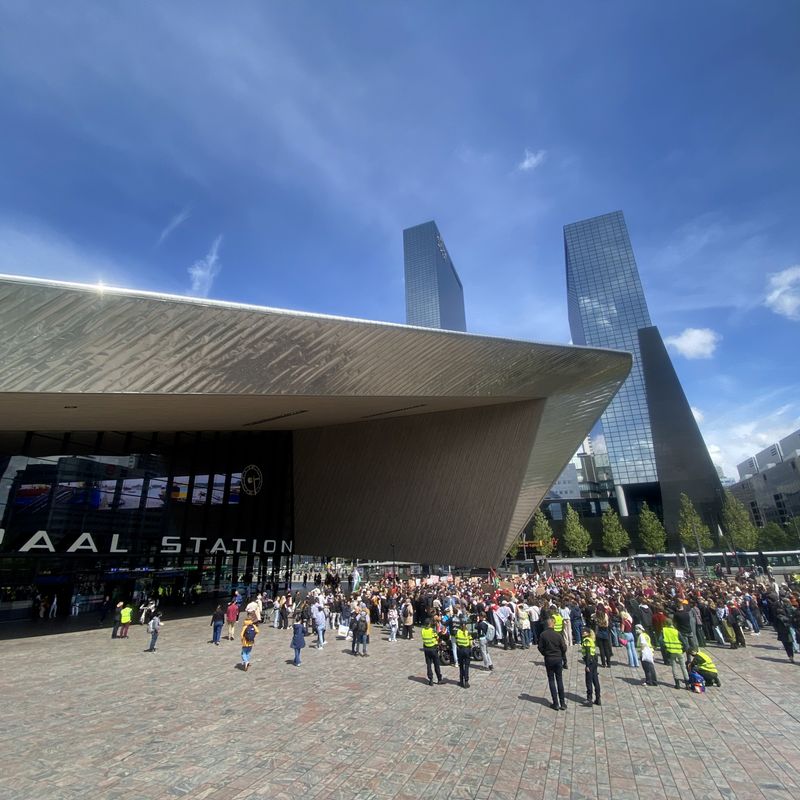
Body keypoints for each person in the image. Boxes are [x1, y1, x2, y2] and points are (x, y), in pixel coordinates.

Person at [538, 616, 567, 710]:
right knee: (559, 680)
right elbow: (564, 647)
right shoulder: (558, 635)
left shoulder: (543, 635)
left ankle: (556, 703)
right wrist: (561, 655)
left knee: (551, 680)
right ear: (553, 624)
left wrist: (545, 653)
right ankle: (562, 703)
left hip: (549, 658)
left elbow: (540, 647)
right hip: (558, 658)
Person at [661, 616, 689, 689]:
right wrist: (683, 650)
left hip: (671, 651)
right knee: (683, 667)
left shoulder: (664, 631)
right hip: (679, 651)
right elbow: (684, 642)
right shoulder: (676, 631)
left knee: (674, 667)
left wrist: (665, 650)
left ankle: (677, 684)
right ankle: (687, 684)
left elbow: (661, 641)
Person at [421, 617, 444, 685]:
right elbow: (437, 638)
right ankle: (439, 679)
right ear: (429, 624)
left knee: (429, 665)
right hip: (433, 649)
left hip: (426, 649)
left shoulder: (423, 630)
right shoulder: (432, 630)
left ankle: (430, 679)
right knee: (436, 664)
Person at [581, 628, 601, 706]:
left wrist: (587, 665)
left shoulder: (586, 641)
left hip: (590, 662)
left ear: (588, 633)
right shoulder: (591, 639)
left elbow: (588, 653)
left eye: (584, 632)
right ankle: (598, 698)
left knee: (588, 681)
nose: (582, 632)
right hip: (594, 662)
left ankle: (589, 699)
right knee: (595, 680)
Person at [455, 619, 473, 688]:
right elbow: (471, 643)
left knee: (461, 666)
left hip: (460, 650)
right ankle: (466, 681)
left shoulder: (458, 632)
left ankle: (461, 681)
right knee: (467, 666)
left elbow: (456, 641)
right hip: (466, 650)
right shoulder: (467, 632)